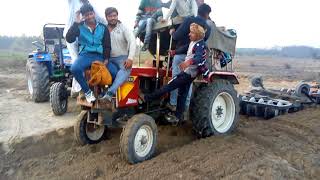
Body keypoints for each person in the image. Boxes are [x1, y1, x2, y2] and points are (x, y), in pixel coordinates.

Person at [145, 23, 209, 123]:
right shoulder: (193, 42)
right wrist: (174, 52)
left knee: (168, 86)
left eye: (191, 32)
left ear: (197, 34)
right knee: (183, 94)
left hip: (188, 73)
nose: (189, 34)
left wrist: (187, 62)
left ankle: (147, 98)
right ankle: (178, 116)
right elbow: (185, 48)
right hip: (189, 74)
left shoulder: (200, 45)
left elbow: (198, 57)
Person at [66, 3, 117, 103]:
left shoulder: (103, 27)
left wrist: (106, 58)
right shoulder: (79, 27)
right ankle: (88, 92)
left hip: (99, 56)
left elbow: (107, 45)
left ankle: (106, 93)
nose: (89, 17)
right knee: (74, 68)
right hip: (85, 55)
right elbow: (69, 39)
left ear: (93, 13)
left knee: (115, 72)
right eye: (86, 15)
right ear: (83, 16)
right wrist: (76, 23)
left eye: (90, 14)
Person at [168, 3, 211, 111]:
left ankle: (173, 104)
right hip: (193, 58)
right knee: (188, 83)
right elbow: (200, 44)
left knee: (175, 80)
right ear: (207, 14)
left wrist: (172, 32)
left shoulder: (189, 20)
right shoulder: (208, 28)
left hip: (181, 56)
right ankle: (185, 108)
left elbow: (177, 37)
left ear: (198, 10)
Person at [102, 7, 137, 101]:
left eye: (115, 15)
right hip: (108, 59)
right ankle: (101, 92)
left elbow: (132, 41)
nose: (113, 18)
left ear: (117, 16)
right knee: (101, 69)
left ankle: (109, 93)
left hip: (122, 58)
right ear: (106, 17)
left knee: (126, 69)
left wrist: (130, 58)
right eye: (110, 16)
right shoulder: (103, 28)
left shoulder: (123, 28)